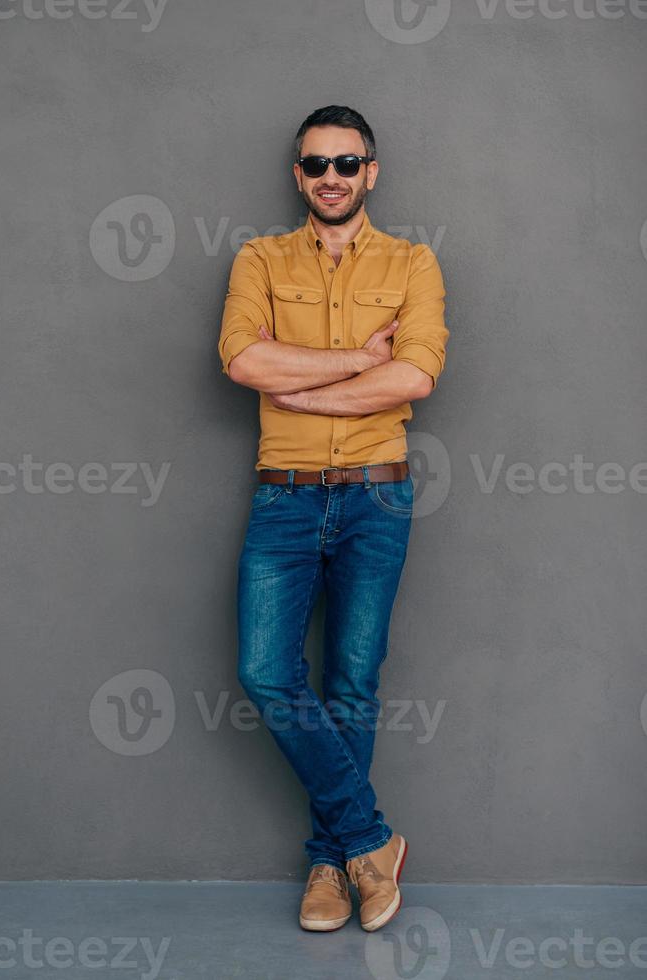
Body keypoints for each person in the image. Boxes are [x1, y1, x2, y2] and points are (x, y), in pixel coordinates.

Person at [218, 105, 449, 932]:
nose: (331, 178)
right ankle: (369, 840)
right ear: (298, 175)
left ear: (370, 173)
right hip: (283, 495)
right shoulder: (260, 257)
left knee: (352, 682)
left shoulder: (414, 261)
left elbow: (415, 376)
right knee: (266, 672)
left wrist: (300, 386)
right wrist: (357, 359)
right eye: (316, 164)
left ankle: (328, 864)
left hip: (375, 494)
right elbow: (243, 357)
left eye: (347, 164)